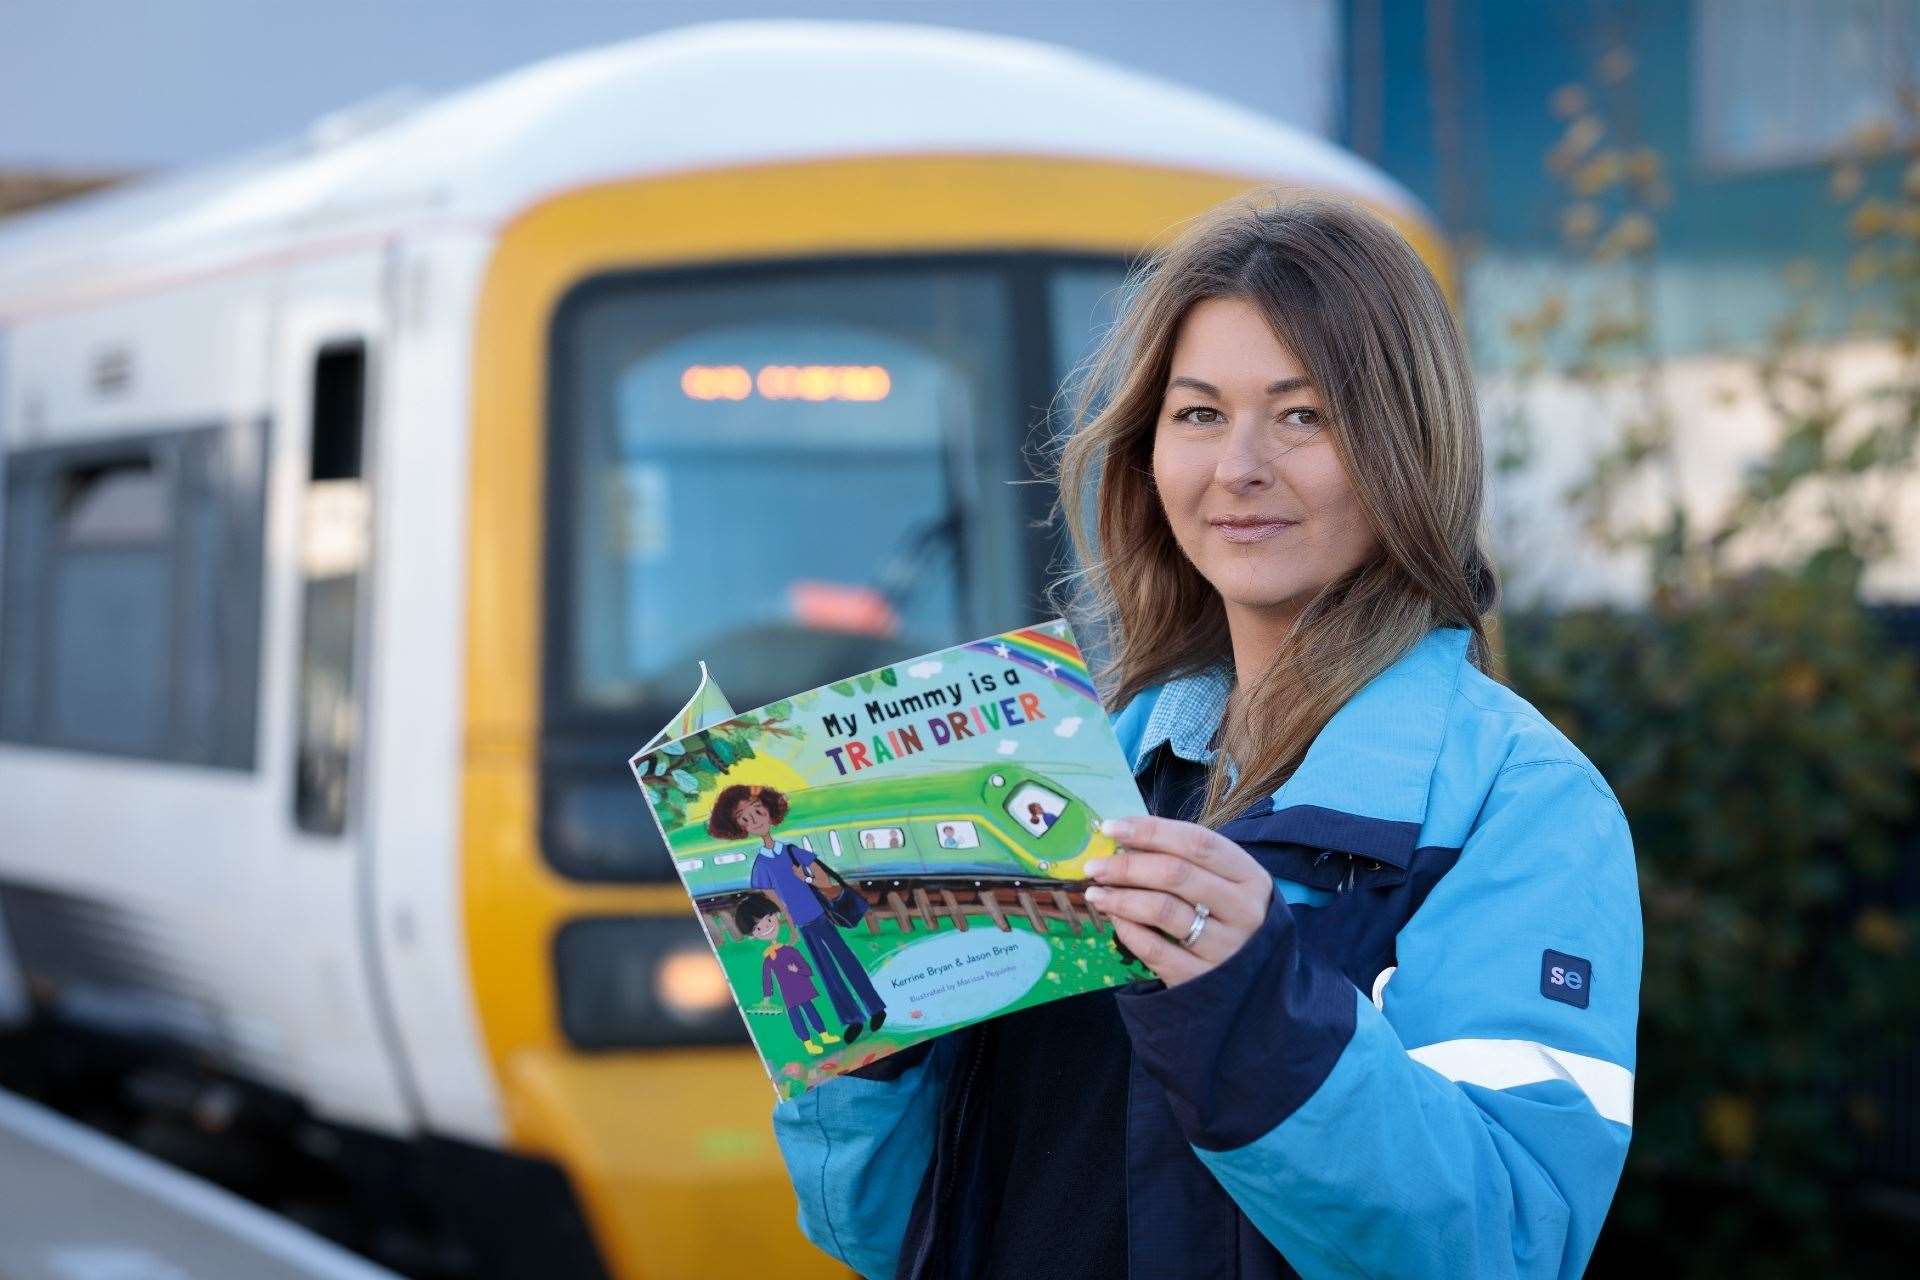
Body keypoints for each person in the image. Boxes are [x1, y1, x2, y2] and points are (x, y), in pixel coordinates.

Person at [767, 189, 1642, 1279]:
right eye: (1198, 414)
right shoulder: (1068, 765)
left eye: (1304, 414)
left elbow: (1508, 1243)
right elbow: (888, 1232)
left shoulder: (1521, 804)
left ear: (1405, 445)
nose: (1239, 466)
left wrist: (1256, 1002)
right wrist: (864, 1048)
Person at [709, 784, 888, 1044]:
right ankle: (851, 1019)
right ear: (740, 827)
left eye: (758, 812)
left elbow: (823, 878)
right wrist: (791, 928)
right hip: (803, 925)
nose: (754, 821)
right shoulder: (760, 866)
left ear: (770, 813)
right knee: (826, 972)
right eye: (745, 819)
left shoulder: (793, 851)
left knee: (847, 960)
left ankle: (875, 1007)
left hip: (822, 916)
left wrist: (803, 876)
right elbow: (778, 904)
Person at [737, 893, 837, 1056]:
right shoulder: (768, 959)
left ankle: (824, 1035)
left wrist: (797, 971)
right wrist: (767, 998)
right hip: (788, 994)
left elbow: (807, 969)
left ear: (775, 916)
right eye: (758, 928)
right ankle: (808, 1043)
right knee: (796, 1017)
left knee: (811, 1011)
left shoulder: (790, 950)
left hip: (802, 988)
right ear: (752, 934)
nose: (766, 928)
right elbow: (766, 978)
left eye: (768, 920)